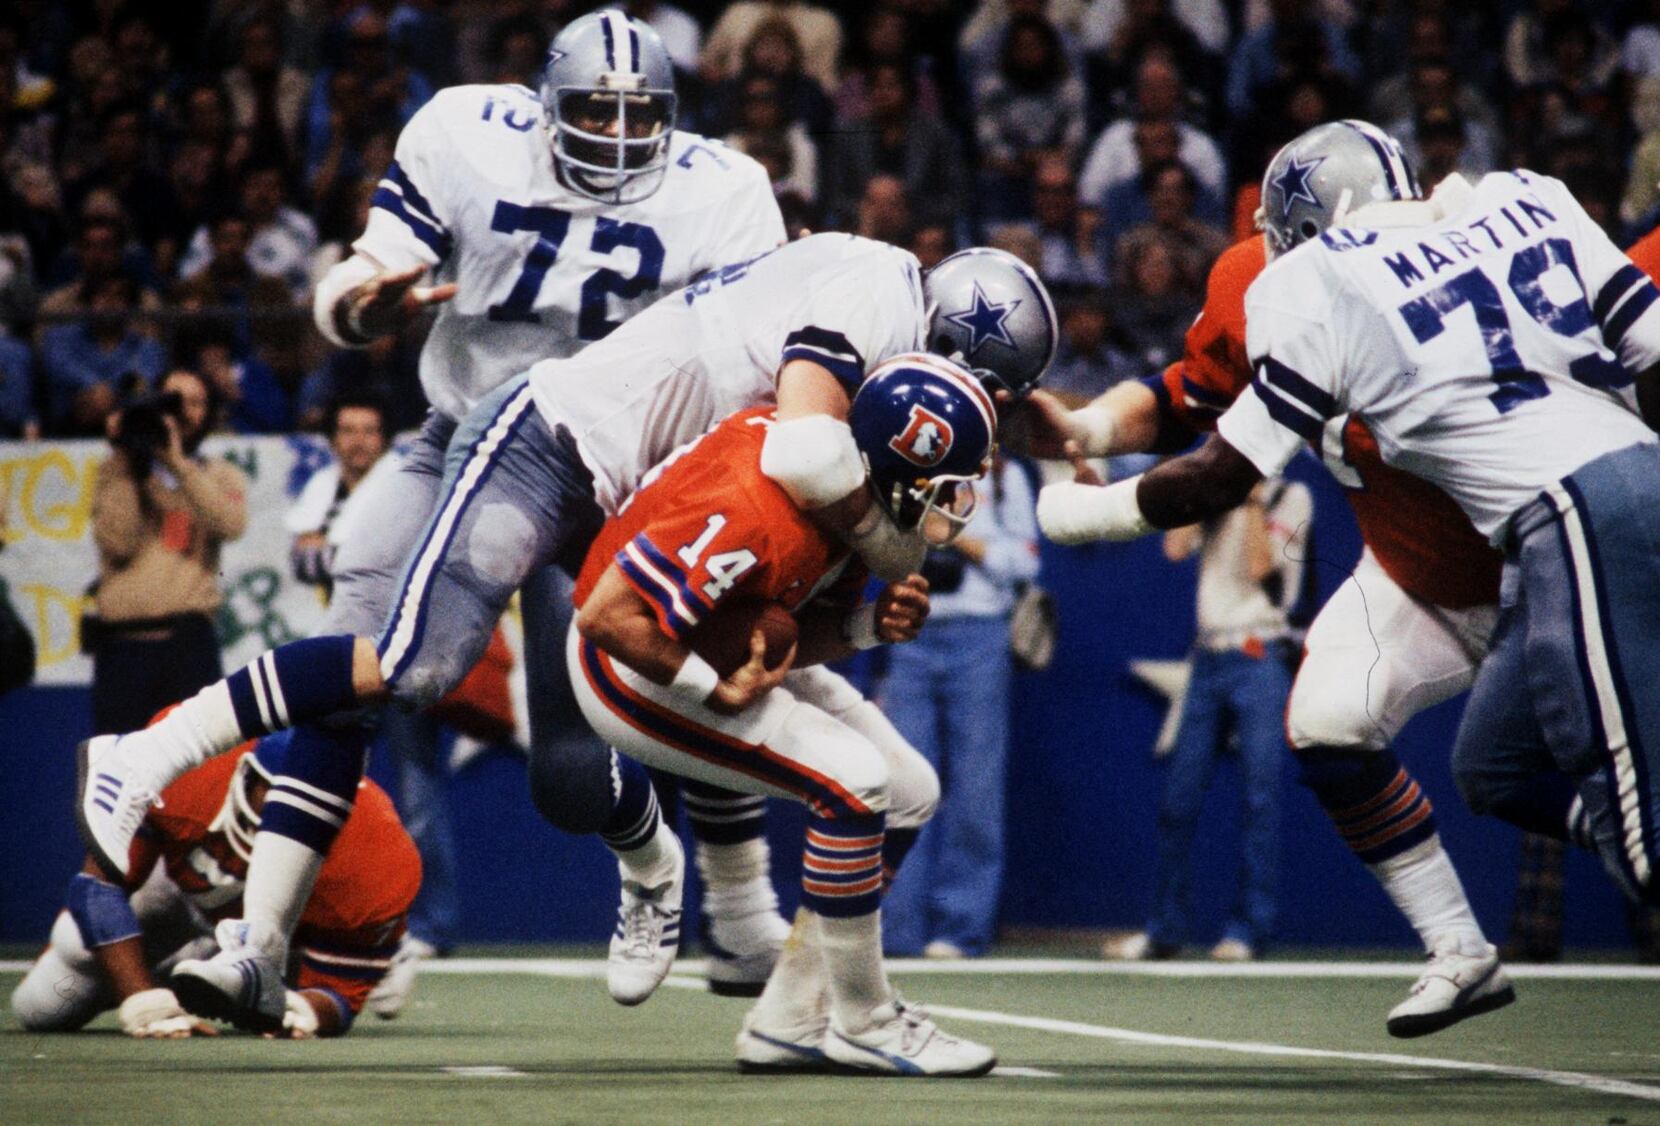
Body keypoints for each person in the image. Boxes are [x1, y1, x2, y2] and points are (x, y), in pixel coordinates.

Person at [80, 229, 1058, 1032]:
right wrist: (893, 551)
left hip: (650, 493)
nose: (982, 415)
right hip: (560, 446)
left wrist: (851, 612)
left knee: (586, 758)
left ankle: (656, 869)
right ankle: (151, 756)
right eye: (990, 385)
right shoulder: (879, 292)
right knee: (413, 664)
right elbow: (805, 446)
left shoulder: (866, 320)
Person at [131, 8, 799, 1019]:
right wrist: (360, 305)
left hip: (620, 474)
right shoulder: (463, 134)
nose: (616, 139)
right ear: (543, 107)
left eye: (637, 118)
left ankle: (677, 875)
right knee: (353, 648)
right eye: (592, 114)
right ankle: (260, 939)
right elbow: (356, 277)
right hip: (463, 441)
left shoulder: (728, 191)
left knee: (575, 775)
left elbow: (755, 367)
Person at [1034, 147, 1660, 1014]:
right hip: (1424, 575)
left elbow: (1220, 474)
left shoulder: (1397, 256)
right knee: (1364, 733)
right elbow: (1190, 394)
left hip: (1551, 553)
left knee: (1609, 789)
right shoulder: (1277, 275)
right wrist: (1086, 425)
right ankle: (1458, 946)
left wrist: (1081, 514)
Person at [569, 357, 999, 1075]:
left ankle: (789, 1018)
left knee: (908, 790)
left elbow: (789, 636)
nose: (954, 499)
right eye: (944, 480)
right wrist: (710, 686)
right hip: (626, 671)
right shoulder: (758, 504)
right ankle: (866, 1020)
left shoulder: (846, 492)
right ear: (898, 464)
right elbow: (608, 616)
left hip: (694, 639)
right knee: (855, 781)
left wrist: (868, 629)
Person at [14, 717, 418, 1038]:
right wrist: (143, 1002)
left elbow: (336, 994)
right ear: (246, 772)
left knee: (333, 971)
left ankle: (377, 949)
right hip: (176, 891)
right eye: (277, 794)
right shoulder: (193, 768)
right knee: (42, 1005)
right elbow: (97, 886)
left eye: (305, 804)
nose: (284, 815)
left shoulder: (375, 856)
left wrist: (307, 1010)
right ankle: (199, 959)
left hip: (286, 935)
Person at [1106, 475, 1309, 962]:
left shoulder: (1291, 497)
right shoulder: (1218, 491)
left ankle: (1248, 931)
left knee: (1259, 798)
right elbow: (1176, 548)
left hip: (1260, 653)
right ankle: (1165, 930)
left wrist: (1252, 496)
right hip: (1208, 658)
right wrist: (1205, 491)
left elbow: (1263, 567)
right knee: (1178, 800)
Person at [879, 453, 1039, 960]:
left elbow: (1026, 563)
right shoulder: (903, 471)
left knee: (976, 785)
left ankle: (960, 928)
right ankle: (895, 929)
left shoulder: (1005, 477)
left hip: (980, 635)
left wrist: (955, 535)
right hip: (910, 634)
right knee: (901, 784)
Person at [87, 367, 247, 736]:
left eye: (196, 403)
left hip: (188, 646)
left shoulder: (220, 475)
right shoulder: (116, 471)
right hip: (122, 649)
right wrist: (128, 457)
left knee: (198, 773)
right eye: (173, 401)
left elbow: (230, 524)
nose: (184, 413)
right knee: (118, 771)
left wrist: (177, 462)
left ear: (208, 414)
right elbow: (118, 542)